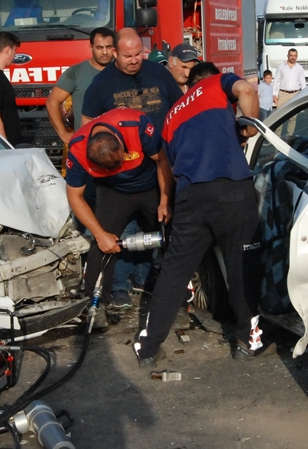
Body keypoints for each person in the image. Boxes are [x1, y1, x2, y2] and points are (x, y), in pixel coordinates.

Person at [134, 62, 263, 366]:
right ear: (213, 77)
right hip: (231, 188)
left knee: (175, 271)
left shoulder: (171, 115)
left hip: (191, 196)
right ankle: (248, 338)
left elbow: (169, 165)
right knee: (242, 263)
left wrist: (168, 201)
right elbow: (246, 89)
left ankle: (149, 347)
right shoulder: (217, 85)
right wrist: (248, 126)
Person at [64, 108, 171, 313]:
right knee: (101, 244)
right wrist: (100, 233)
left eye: (122, 161)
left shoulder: (135, 124)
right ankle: (95, 303)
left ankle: (173, 286)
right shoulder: (77, 150)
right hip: (114, 191)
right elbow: (74, 196)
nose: (121, 167)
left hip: (151, 184)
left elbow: (163, 159)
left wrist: (165, 201)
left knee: (172, 231)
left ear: (120, 142)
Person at [81, 28, 182, 128]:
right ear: (115, 53)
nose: (134, 61)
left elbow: (181, 108)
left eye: (138, 54)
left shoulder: (160, 72)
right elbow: (88, 124)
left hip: (162, 143)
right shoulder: (101, 82)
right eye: (128, 56)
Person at [45, 27, 115, 143]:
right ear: (91, 47)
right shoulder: (75, 72)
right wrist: (63, 134)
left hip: (119, 142)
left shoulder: (122, 70)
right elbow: (52, 102)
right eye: (99, 47)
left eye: (108, 47)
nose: (104, 52)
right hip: (86, 144)